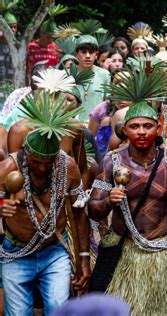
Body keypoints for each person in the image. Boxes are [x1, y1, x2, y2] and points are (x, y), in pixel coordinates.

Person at [88, 100, 167, 315]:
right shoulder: (111, 162)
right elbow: (93, 209)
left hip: (164, 252)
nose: (141, 132)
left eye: (147, 126)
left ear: (158, 128)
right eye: (135, 127)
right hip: (125, 250)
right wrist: (108, 201)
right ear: (124, 130)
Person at [0, 89, 90, 315]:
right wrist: (1, 206)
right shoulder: (9, 168)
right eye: (35, 162)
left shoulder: (67, 167)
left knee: (59, 310)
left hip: (55, 251)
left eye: (47, 162)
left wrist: (84, 259)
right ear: (24, 151)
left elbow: (79, 214)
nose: (41, 168)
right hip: (16, 253)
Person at [73, 35, 111, 121]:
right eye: (83, 52)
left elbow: (108, 102)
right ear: (76, 54)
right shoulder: (67, 74)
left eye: (91, 52)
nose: (87, 56)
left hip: (96, 125)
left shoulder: (104, 74)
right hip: (72, 125)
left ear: (96, 55)